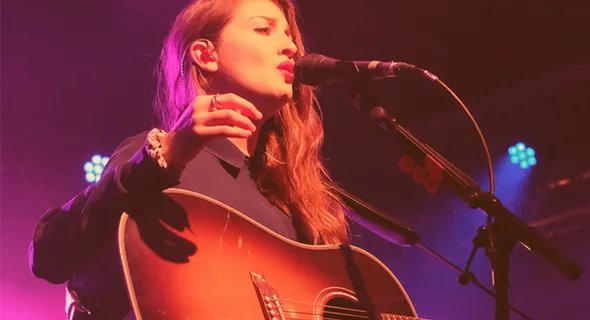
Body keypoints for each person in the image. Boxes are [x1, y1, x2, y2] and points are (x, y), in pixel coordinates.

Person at [29, 0, 350, 318]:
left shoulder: (291, 201)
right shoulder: (160, 158)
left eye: (288, 34)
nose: (290, 46)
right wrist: (162, 156)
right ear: (206, 55)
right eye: (264, 29)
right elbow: (50, 256)